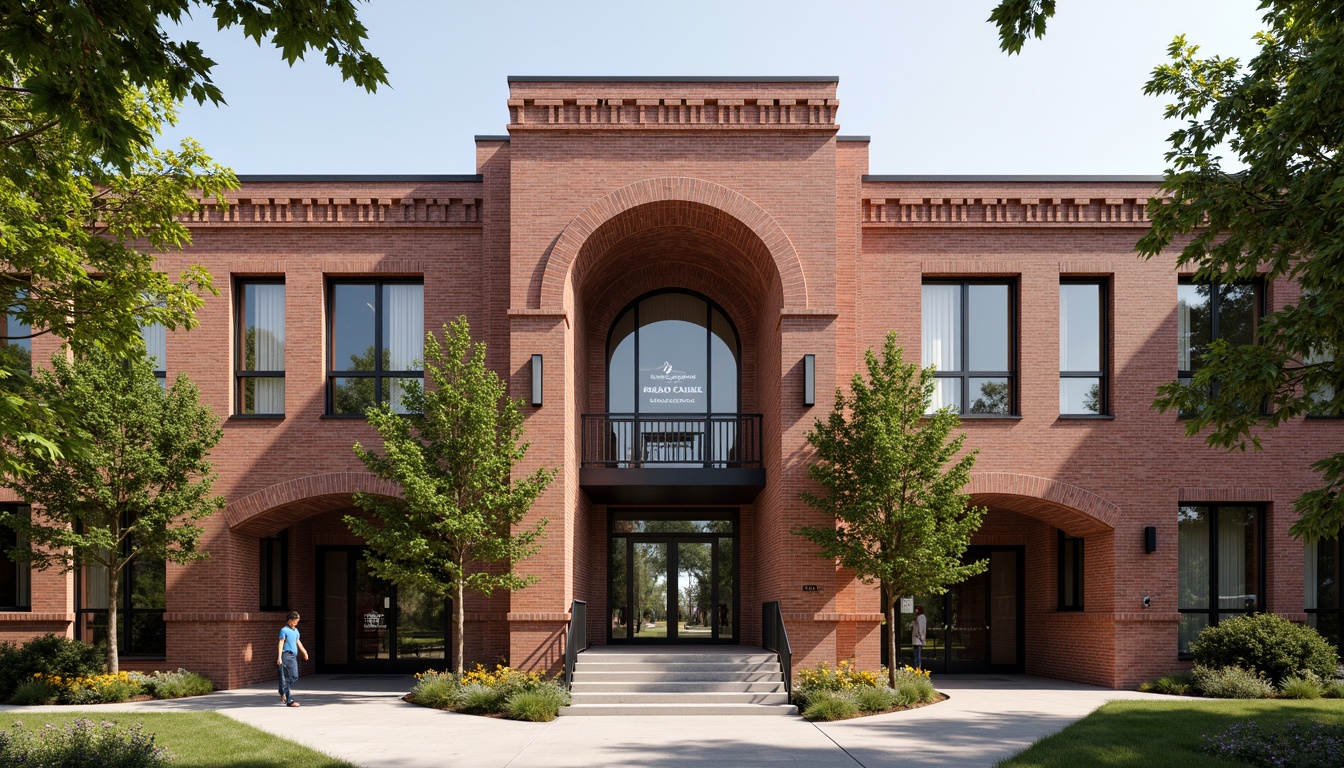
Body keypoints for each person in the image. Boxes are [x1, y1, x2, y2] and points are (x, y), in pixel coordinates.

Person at [277, 610, 309, 707]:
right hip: (286, 656)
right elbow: (281, 643)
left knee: (295, 676)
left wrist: (304, 652)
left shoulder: (295, 630)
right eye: (295, 621)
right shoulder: (284, 630)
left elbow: (298, 642)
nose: (297, 623)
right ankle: (289, 700)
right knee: (288, 677)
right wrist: (279, 657)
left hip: (294, 656)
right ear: (290, 621)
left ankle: (282, 689)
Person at [911, 605, 927, 669]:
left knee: (917, 656)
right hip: (916, 639)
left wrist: (921, 638)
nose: (915, 611)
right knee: (916, 655)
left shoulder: (921, 617)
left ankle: (918, 669)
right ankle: (917, 668)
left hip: (918, 639)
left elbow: (921, 628)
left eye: (916, 610)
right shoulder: (917, 617)